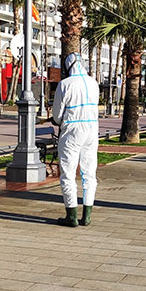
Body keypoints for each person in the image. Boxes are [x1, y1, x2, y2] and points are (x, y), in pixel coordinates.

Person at [51, 53, 100, 227]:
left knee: (68, 173)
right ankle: (87, 216)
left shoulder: (65, 84)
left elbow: (57, 115)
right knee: (89, 173)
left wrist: (56, 120)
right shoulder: (93, 83)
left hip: (72, 131)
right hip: (92, 130)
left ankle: (71, 215)